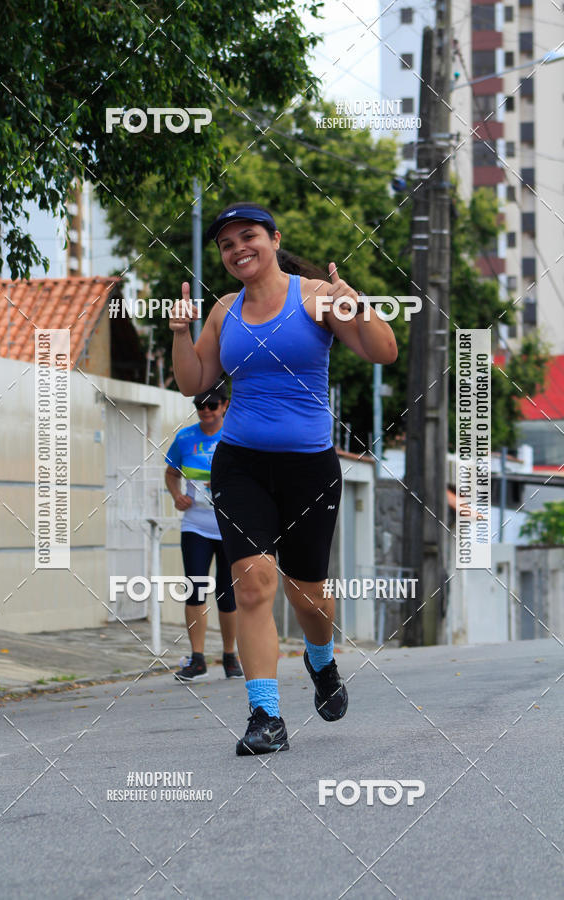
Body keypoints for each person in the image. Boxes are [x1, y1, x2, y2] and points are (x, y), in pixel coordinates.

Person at [170, 202, 397, 754]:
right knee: (253, 585)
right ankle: (265, 716)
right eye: (227, 244)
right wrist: (181, 332)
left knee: (309, 596)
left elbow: (383, 352)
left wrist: (357, 305)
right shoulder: (225, 310)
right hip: (241, 464)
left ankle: (321, 662)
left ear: (273, 238)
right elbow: (194, 380)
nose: (238, 249)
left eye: (248, 237)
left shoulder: (316, 297)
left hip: (309, 468)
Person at [164, 382, 243, 682]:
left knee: (228, 594)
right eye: (200, 406)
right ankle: (197, 658)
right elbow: (171, 473)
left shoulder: (236, 437)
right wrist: (176, 496)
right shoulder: (185, 438)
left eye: (212, 405)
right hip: (195, 525)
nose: (206, 411)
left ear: (225, 405)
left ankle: (229, 656)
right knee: (195, 589)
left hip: (229, 528)